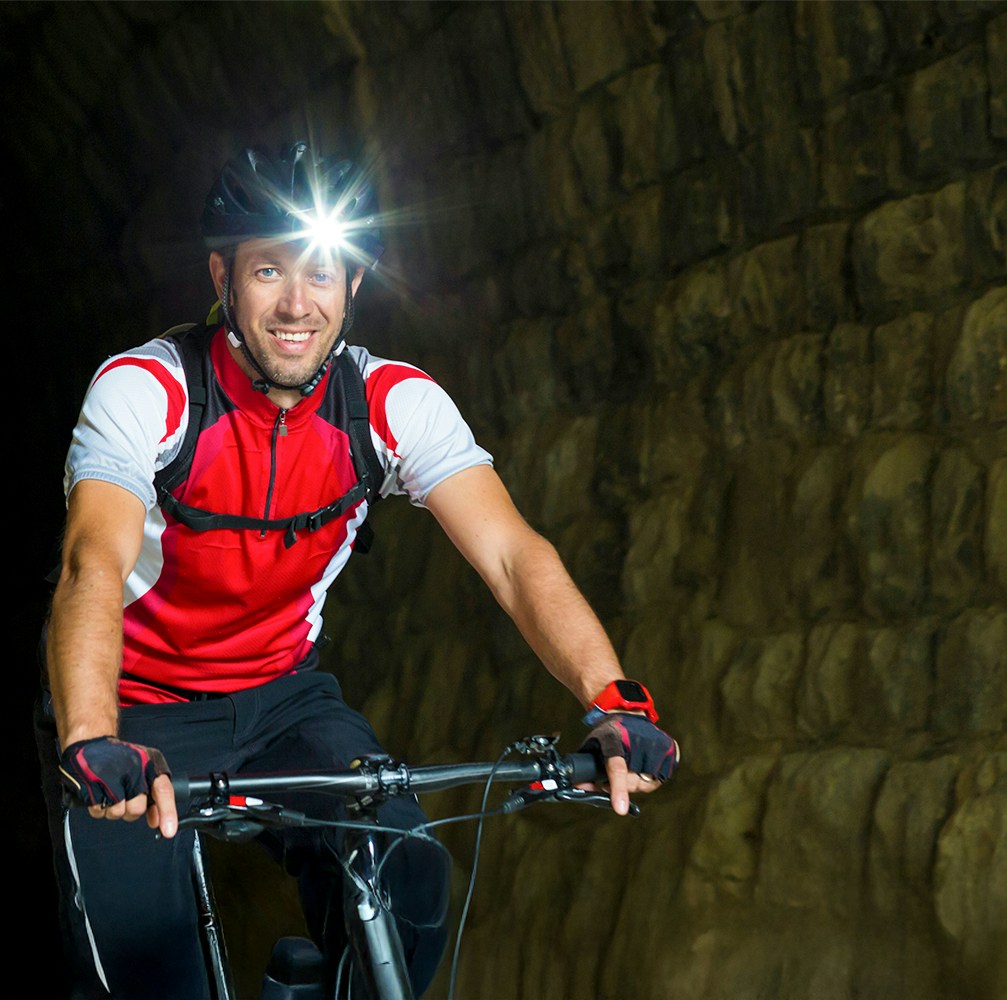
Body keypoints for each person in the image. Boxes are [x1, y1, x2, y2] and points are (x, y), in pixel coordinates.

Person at [34, 140, 680, 999]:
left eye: (325, 275)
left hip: (281, 699)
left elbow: (514, 557)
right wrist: (89, 736)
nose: (299, 304)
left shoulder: (391, 404)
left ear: (355, 286)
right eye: (270, 273)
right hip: (130, 706)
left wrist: (614, 701)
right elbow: (93, 562)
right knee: (146, 971)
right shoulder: (148, 392)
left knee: (407, 872)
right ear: (223, 276)